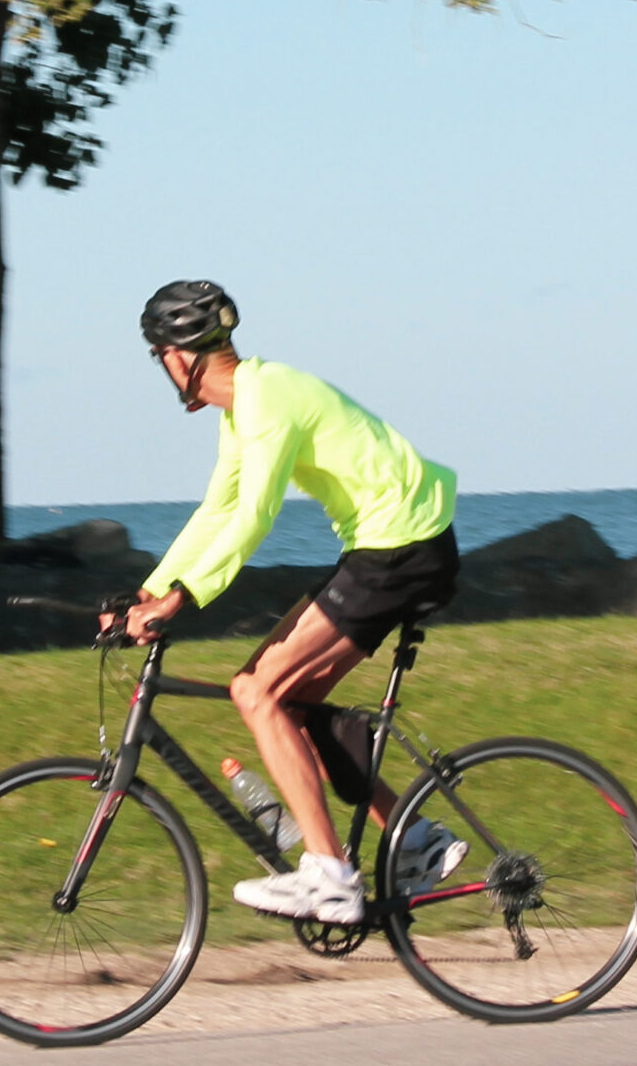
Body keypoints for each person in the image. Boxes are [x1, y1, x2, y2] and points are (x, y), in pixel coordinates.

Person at [116, 279, 466, 927]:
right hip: (394, 546)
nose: (162, 366)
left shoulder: (268, 399)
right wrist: (149, 588)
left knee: (255, 689)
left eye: (159, 353)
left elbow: (255, 513)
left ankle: (330, 877)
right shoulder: (245, 404)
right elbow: (218, 506)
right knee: (290, 703)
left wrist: (185, 596)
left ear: (178, 355)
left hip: (398, 547)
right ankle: (415, 840)